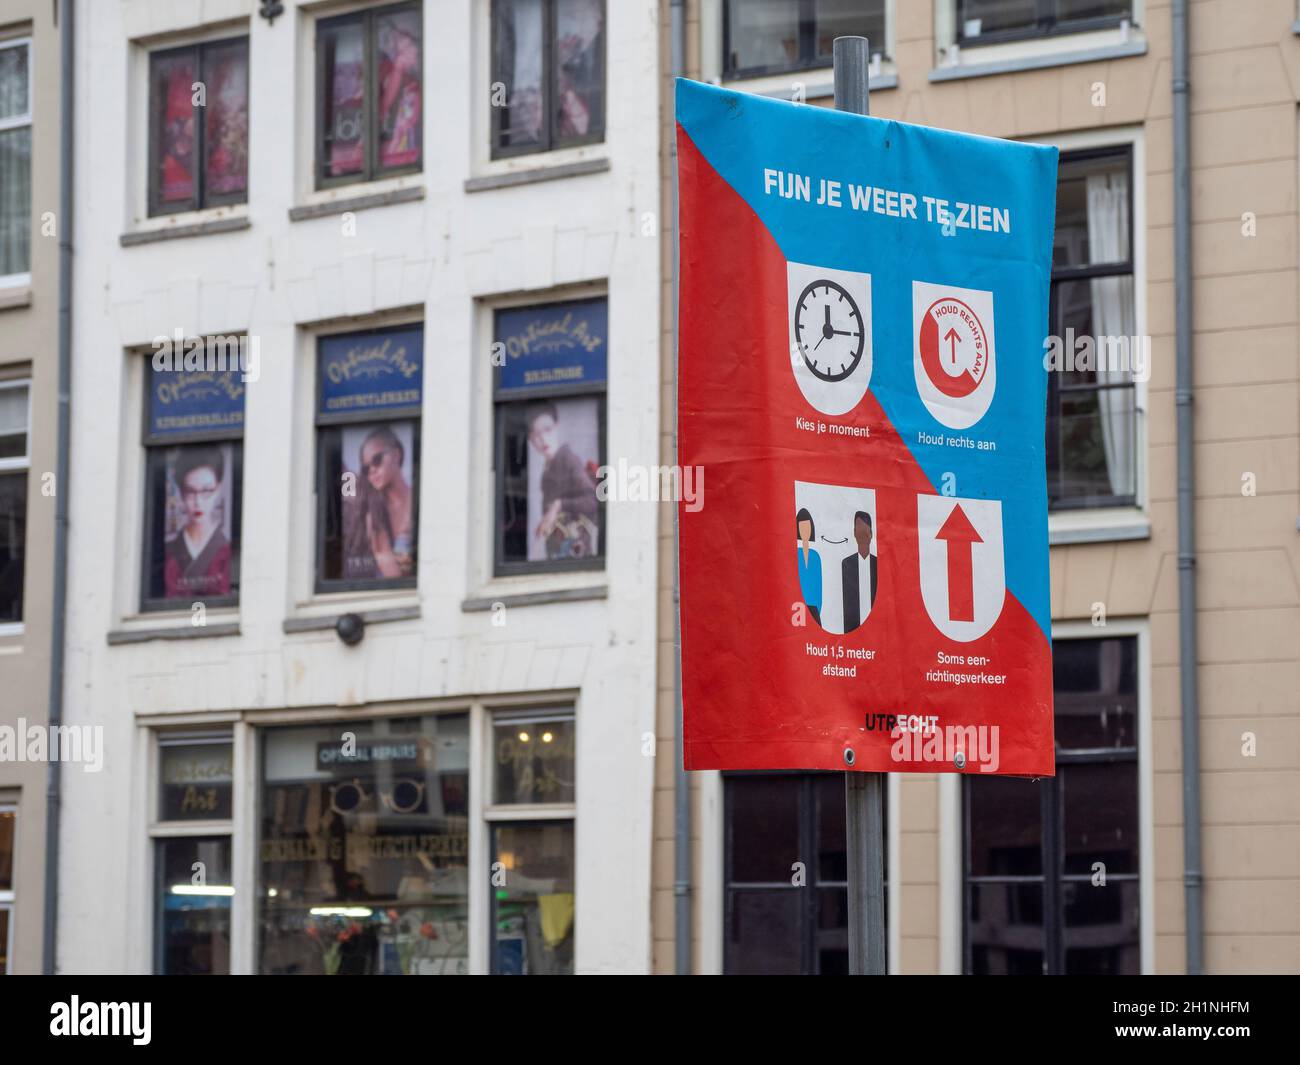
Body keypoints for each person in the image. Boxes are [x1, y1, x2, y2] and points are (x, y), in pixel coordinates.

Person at [527, 403, 599, 560]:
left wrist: (559, 505)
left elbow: (592, 502)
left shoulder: (567, 459)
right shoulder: (547, 471)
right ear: (531, 440)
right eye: (536, 435)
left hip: (576, 555)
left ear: (557, 427)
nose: (543, 439)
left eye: (548, 430)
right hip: (557, 553)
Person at [344, 425, 415, 580]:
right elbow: (395, 578)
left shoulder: (418, 498)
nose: (372, 471)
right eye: (365, 468)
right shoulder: (374, 513)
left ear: (396, 454)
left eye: (377, 460)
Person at [164, 447, 232, 599]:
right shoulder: (168, 553)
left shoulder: (228, 551)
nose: (198, 501)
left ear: (219, 489)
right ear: (181, 492)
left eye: (207, 491)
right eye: (190, 491)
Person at [841, 510, 877, 633]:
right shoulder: (847, 564)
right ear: (854, 533)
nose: (862, 533)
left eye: (865, 530)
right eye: (859, 529)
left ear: (871, 534)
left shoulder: (878, 565)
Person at [795, 507, 822, 626]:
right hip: (797, 607)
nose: (804, 530)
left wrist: (817, 608)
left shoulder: (815, 556)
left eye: (807, 527)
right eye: (801, 527)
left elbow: (818, 585)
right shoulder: (795, 553)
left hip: (814, 608)